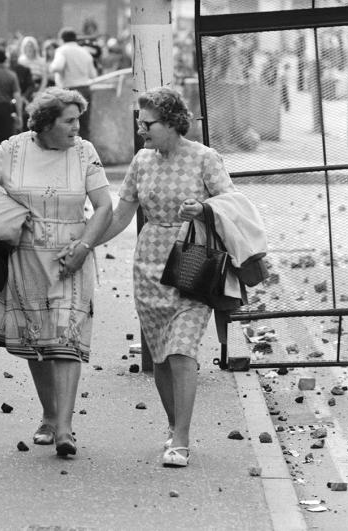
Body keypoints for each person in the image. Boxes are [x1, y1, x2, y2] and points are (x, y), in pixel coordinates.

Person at [72, 87, 237, 467]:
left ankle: (182, 438)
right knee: (161, 356)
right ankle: (172, 425)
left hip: (193, 259)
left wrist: (203, 208)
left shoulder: (204, 158)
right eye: (139, 122)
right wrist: (85, 244)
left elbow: (232, 204)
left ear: (173, 122)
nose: (141, 129)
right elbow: (119, 216)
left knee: (181, 350)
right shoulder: (142, 162)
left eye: (147, 123)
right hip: (148, 265)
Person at [0, 88, 113, 457]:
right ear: (45, 123)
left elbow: (105, 206)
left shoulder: (84, 152)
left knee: (67, 341)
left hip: (70, 257)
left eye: (78, 119)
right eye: (69, 120)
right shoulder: (13, 149)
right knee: (37, 342)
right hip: (24, 258)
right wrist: (8, 217)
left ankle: (64, 427)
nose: (77, 127)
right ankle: (48, 414)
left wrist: (84, 247)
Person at [49, 28, 97, 140]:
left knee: (67, 123)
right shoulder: (84, 52)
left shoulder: (62, 50)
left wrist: (50, 67)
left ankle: (68, 151)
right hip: (85, 90)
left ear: (61, 39)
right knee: (84, 124)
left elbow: (57, 66)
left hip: (68, 91)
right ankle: (85, 151)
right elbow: (93, 74)